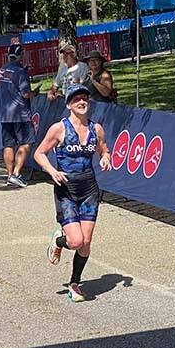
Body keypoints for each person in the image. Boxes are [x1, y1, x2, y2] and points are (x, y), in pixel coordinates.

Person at [34, 84, 111, 302]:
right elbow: (39, 153)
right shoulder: (59, 129)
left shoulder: (96, 129)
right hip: (66, 189)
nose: (81, 101)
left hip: (89, 189)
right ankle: (59, 240)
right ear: (69, 104)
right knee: (75, 241)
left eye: (84, 98)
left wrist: (105, 157)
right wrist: (51, 170)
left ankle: (75, 283)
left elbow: (104, 149)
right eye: (76, 99)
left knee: (86, 242)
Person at [0, 44, 39, 187]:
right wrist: (35, 93)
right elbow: (26, 94)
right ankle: (16, 173)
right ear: (21, 56)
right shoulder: (21, 72)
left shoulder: (2, 69)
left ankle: (9, 175)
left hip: (5, 113)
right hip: (20, 114)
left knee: (8, 144)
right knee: (26, 142)